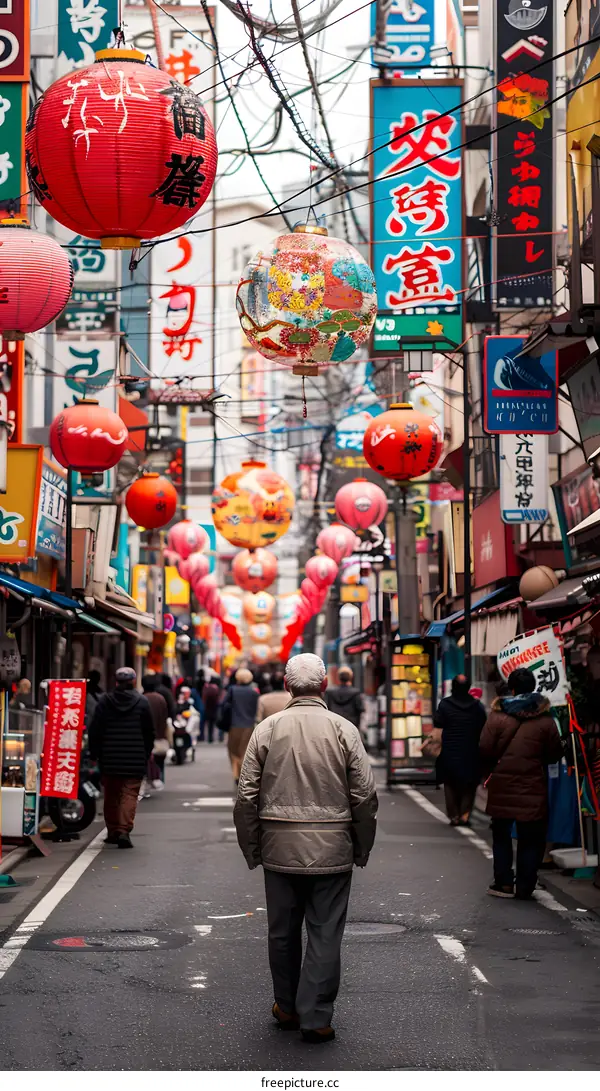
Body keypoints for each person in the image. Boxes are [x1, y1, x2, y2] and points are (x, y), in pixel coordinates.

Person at [234, 653, 378, 1043]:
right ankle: (316, 1016)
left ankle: (286, 1006)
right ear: (324, 686)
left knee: (282, 932)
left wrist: (253, 847)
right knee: (325, 932)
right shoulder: (343, 730)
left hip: (279, 845)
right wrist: (361, 845)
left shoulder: (268, 729)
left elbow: (247, 795)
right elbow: (364, 795)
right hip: (333, 846)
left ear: (286, 686)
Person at [479, 667, 563, 900]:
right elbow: (554, 753)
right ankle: (525, 885)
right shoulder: (545, 720)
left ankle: (504, 883)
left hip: (503, 786)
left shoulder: (497, 716)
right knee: (531, 837)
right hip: (532, 786)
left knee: (501, 835)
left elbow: (484, 748)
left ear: (512, 688)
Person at [88, 667, 155, 849]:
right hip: (134, 758)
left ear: (116, 682)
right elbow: (149, 732)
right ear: (133, 682)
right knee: (129, 795)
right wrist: (146, 753)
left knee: (111, 794)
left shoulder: (104, 702)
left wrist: (94, 753)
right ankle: (124, 830)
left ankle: (113, 831)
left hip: (109, 757)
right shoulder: (142, 702)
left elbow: (95, 730)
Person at [435, 675, 487, 826]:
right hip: (471, 751)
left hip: (450, 751)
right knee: (469, 785)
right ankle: (465, 815)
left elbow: (438, 722)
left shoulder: (445, 704)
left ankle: (454, 816)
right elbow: (483, 726)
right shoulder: (477, 706)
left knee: (450, 784)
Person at [222, 668, 259, 782]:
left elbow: (224, 706)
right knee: (245, 751)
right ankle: (244, 773)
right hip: (249, 725)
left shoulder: (232, 690)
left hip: (234, 724)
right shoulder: (254, 692)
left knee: (233, 751)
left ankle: (236, 774)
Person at [142, 674, 171, 785]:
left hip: (146, 735)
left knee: (147, 760)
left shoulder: (142, 698)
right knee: (160, 759)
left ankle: (148, 779)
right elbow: (165, 716)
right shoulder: (160, 699)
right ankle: (160, 778)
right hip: (159, 734)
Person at [202, 673, 222, 743]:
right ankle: (219, 737)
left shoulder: (206, 688)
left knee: (209, 724)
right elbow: (218, 699)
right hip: (215, 708)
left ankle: (210, 737)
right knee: (216, 723)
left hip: (207, 708)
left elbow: (204, 698)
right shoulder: (216, 688)